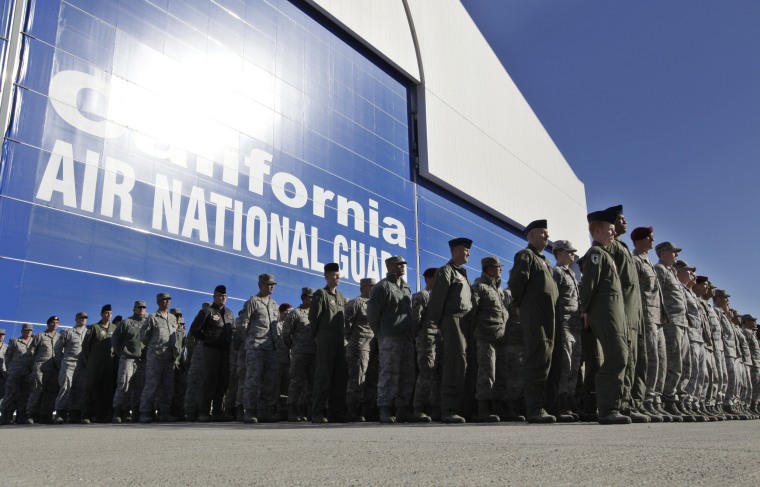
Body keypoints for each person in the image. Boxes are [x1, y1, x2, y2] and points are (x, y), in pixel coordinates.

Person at [579, 210, 631, 425]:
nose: (613, 233)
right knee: (617, 355)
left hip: (614, 313)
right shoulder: (596, 254)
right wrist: (585, 311)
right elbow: (589, 284)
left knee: (621, 355)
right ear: (597, 230)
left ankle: (612, 407)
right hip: (605, 312)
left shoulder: (606, 254)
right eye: (610, 229)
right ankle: (607, 408)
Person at [508, 220, 559, 423]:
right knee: (537, 357)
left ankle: (545, 404)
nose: (547, 237)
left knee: (547, 358)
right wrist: (519, 306)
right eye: (543, 233)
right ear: (531, 237)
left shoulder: (544, 260)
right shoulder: (526, 255)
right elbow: (517, 283)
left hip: (548, 315)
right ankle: (534, 407)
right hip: (534, 314)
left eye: (547, 233)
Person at [605, 206, 648, 423]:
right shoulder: (610, 247)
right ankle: (621, 403)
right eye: (622, 219)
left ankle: (632, 403)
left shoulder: (622, 247)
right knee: (626, 358)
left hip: (636, 310)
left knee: (639, 359)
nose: (626, 222)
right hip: (623, 310)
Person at [428, 237, 474, 423]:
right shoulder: (446, 271)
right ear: (455, 251)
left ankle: (463, 408)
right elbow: (437, 300)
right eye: (465, 250)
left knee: (464, 364)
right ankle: (448, 409)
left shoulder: (462, 273)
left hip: (465, 321)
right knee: (454, 363)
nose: (468, 253)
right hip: (452, 319)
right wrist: (439, 325)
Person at [368, 256, 416, 424]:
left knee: (407, 374)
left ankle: (403, 410)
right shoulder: (382, 287)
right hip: (389, 336)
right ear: (389, 266)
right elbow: (373, 314)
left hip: (406, 337)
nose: (402, 266)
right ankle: (385, 409)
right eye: (399, 264)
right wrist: (380, 334)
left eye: (403, 264)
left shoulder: (406, 287)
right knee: (388, 373)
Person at [630, 226, 670, 422]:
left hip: (657, 318)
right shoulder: (635, 260)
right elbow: (633, 290)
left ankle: (655, 400)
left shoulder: (649, 262)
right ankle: (645, 400)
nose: (653, 240)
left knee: (661, 360)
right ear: (640, 240)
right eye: (649, 237)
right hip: (645, 316)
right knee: (650, 358)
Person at [654, 242, 692, 421]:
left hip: (681, 323)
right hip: (671, 322)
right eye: (673, 252)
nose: (676, 256)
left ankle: (677, 398)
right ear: (663, 253)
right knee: (673, 363)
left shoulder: (672, 273)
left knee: (683, 365)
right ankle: (667, 398)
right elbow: (657, 295)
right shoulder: (659, 270)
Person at [471, 256, 509, 422]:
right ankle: (483, 409)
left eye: (500, 267)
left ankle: (498, 407)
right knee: (487, 373)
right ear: (488, 268)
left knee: (501, 373)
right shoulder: (479, 287)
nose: (500, 269)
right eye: (496, 267)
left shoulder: (499, 290)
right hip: (485, 337)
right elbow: (472, 312)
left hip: (501, 338)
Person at [310, 262, 349, 423]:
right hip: (326, 343)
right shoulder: (321, 294)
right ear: (327, 277)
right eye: (334, 275)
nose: (338, 277)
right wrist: (318, 339)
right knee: (323, 378)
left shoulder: (340, 297)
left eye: (338, 274)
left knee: (339, 378)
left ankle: (336, 413)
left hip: (340, 343)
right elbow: (314, 318)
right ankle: (317, 413)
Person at [189, 286, 234, 422]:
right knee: (209, 380)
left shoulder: (229, 313)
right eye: (221, 296)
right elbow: (194, 329)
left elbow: (233, 330)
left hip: (225, 351)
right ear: (214, 296)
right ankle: (203, 411)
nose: (223, 298)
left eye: (225, 296)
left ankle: (217, 412)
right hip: (211, 350)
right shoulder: (207, 311)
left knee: (223, 381)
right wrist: (207, 339)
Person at [239, 274, 280, 423]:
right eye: (269, 284)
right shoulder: (253, 302)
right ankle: (249, 411)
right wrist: (249, 341)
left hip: (270, 347)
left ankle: (265, 411)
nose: (272, 286)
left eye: (273, 284)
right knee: (252, 379)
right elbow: (242, 324)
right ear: (260, 285)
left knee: (269, 380)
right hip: (255, 346)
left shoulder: (275, 305)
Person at [551, 241, 582, 421]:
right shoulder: (556, 273)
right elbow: (553, 300)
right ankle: (560, 403)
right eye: (569, 252)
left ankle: (570, 400)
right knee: (565, 365)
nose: (573, 255)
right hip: (563, 324)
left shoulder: (571, 273)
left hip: (575, 324)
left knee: (575, 366)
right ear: (559, 253)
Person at [139, 293, 180, 423]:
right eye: (164, 300)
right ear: (158, 302)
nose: (167, 302)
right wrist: (154, 346)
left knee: (168, 387)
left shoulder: (173, 318)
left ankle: (164, 413)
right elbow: (144, 337)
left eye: (168, 300)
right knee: (151, 385)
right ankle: (145, 413)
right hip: (156, 356)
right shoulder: (152, 318)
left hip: (169, 357)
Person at [345, 278, 376, 422]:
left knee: (370, 379)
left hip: (373, 345)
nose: (374, 289)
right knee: (357, 378)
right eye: (372, 286)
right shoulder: (355, 303)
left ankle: (368, 410)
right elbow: (346, 325)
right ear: (364, 287)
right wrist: (352, 339)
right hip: (359, 345)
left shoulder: (376, 304)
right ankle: (353, 410)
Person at [283, 288, 316, 422]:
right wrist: (294, 347)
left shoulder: (315, 314)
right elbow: (286, 334)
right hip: (299, 353)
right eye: (311, 297)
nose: (313, 300)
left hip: (313, 353)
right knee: (297, 382)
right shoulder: (295, 313)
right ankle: (292, 410)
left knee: (310, 384)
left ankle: (305, 410)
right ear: (304, 298)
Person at [412, 268, 440, 422]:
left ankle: (435, 408)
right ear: (428, 279)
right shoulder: (423, 295)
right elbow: (415, 319)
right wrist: (419, 336)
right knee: (426, 372)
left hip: (437, 338)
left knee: (436, 374)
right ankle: (419, 408)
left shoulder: (438, 296)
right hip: (426, 338)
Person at [111, 301, 147, 423]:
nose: (141, 309)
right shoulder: (126, 322)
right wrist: (121, 353)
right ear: (134, 309)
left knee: (139, 387)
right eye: (139, 307)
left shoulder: (147, 323)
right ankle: (118, 412)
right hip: (128, 358)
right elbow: (115, 339)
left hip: (142, 360)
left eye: (143, 307)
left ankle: (135, 412)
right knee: (124, 384)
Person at [82, 304, 117, 424]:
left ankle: (103, 415)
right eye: (106, 313)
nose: (108, 315)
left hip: (109, 364)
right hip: (95, 364)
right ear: (101, 314)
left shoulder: (114, 328)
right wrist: (89, 362)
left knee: (107, 389)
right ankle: (87, 414)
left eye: (110, 313)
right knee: (92, 388)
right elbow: (86, 347)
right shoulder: (94, 327)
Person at [53, 312, 88, 423]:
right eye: (81, 318)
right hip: (69, 363)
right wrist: (62, 362)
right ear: (76, 319)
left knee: (80, 388)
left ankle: (75, 414)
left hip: (82, 365)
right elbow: (57, 349)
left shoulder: (89, 332)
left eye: (84, 318)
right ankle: (60, 413)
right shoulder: (68, 332)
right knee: (65, 387)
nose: (83, 320)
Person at [26, 316, 60, 424]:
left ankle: (46, 415)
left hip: (54, 368)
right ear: (48, 324)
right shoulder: (40, 336)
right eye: (52, 322)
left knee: (50, 392)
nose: (54, 324)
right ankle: (31, 415)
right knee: (37, 390)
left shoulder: (59, 337)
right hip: (40, 367)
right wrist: (33, 366)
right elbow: (31, 352)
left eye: (56, 322)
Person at [0, 324, 34, 424]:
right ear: (22, 331)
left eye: (30, 330)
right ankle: (6, 417)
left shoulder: (33, 342)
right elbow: (7, 357)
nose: (28, 332)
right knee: (10, 395)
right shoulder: (15, 342)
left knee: (24, 396)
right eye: (26, 330)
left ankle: (21, 417)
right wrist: (9, 369)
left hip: (27, 373)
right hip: (15, 373)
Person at [274, 303, 292, 421]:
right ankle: (273, 410)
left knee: (285, 387)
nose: (288, 313)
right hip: (277, 360)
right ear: (281, 311)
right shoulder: (275, 325)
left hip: (287, 360)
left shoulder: (288, 325)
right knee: (275, 386)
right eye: (287, 311)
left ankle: (283, 411)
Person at [0, 329, 7, 405]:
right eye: (0, 334)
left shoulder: (6, 347)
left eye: (2, 335)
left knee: (2, 394)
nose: (1, 336)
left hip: (2, 374)